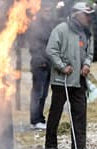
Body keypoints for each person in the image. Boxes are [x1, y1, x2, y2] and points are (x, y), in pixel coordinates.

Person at [44, 2, 97, 149]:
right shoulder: (61, 29)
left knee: (80, 113)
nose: (89, 18)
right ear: (77, 14)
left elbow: (89, 52)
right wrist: (61, 66)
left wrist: (86, 65)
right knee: (56, 112)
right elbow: (51, 50)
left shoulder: (87, 32)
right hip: (62, 81)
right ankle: (50, 145)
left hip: (79, 79)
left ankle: (79, 148)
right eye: (86, 15)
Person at [26, 1, 57, 130]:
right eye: (46, 10)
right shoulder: (35, 25)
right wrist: (41, 60)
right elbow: (34, 46)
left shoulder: (50, 24)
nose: (48, 13)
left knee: (43, 93)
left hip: (48, 63)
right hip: (40, 63)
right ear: (41, 11)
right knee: (37, 93)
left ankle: (40, 118)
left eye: (50, 11)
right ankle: (35, 120)